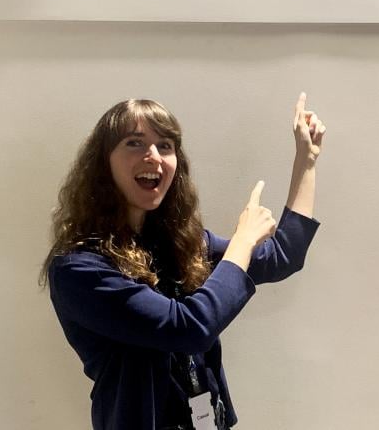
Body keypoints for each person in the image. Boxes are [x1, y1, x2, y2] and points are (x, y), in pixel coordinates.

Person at [40, 93, 325, 430]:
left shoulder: (181, 244)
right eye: (134, 143)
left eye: (165, 145)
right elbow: (188, 329)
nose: (154, 156)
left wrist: (306, 161)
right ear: (104, 161)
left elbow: (281, 257)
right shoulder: (78, 268)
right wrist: (244, 240)